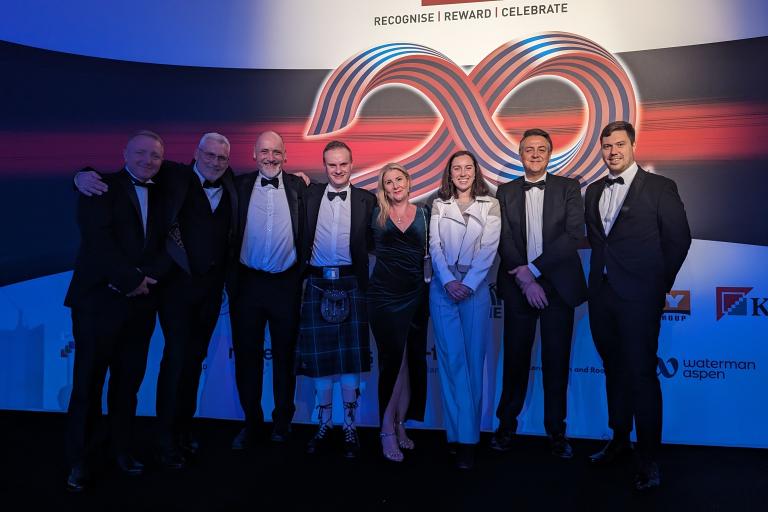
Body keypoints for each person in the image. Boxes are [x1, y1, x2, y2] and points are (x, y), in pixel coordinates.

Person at [74, 133, 239, 467]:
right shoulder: (172, 176)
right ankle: (155, 442)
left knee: (185, 367)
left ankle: (177, 432)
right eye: (208, 155)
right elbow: (105, 225)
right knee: (171, 364)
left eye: (222, 158)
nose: (215, 162)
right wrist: (80, 174)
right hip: (167, 292)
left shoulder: (232, 183)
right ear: (195, 154)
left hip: (203, 293)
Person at [584, 121, 691, 491]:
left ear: (632, 145)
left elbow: (678, 239)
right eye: (606, 146)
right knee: (613, 370)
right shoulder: (593, 190)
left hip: (640, 298)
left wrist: (658, 286)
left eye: (619, 144)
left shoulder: (661, 187)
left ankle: (649, 459)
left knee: (642, 376)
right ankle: (618, 439)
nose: (612, 151)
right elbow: (600, 243)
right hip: (601, 296)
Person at [64, 131, 170, 492]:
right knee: (87, 386)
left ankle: (121, 450)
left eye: (154, 156)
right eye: (140, 153)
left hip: (141, 306)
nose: (147, 160)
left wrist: (147, 280)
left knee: (128, 386)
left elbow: (167, 243)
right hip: (98, 303)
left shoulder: (165, 190)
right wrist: (129, 280)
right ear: (124, 152)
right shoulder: (99, 187)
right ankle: (80, 460)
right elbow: (97, 241)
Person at [492, 129, 587, 458]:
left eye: (541, 149)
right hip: (519, 288)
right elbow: (503, 239)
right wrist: (526, 278)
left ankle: (556, 431)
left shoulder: (569, 188)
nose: (535, 154)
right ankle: (506, 425)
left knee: (556, 361)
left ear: (550, 154)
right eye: (529, 149)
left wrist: (534, 271)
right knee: (515, 360)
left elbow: (574, 234)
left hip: (558, 288)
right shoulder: (504, 192)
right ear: (520, 155)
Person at [297, 140, 376, 459]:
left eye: (343, 164)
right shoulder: (310, 192)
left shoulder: (367, 200)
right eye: (332, 165)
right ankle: (324, 423)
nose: (338, 170)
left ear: (352, 163)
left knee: (349, 361)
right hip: (316, 281)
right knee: (320, 362)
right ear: (324, 165)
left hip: (352, 282)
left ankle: (350, 426)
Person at [229, 130, 307, 449]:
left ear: (285, 155)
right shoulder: (237, 186)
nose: (270, 158)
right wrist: (83, 175)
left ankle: (282, 421)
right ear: (254, 154)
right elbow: (192, 174)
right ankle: (252, 422)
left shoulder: (301, 188)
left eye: (276, 152)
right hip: (246, 285)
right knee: (247, 358)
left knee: (285, 358)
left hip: (285, 285)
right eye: (265, 152)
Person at [428, 150, 501, 469]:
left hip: (475, 287)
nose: (462, 173)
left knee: (473, 362)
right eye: (456, 168)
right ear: (449, 173)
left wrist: (468, 284)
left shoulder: (492, 204)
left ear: (475, 172)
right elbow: (434, 246)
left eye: (467, 168)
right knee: (450, 361)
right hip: (443, 288)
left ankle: (469, 440)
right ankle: (455, 435)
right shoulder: (438, 204)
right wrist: (447, 281)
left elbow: (489, 248)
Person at [367, 163, 429, 462]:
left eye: (399, 179)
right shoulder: (374, 214)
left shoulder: (426, 214)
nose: (394, 186)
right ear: (384, 187)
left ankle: (400, 424)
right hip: (383, 297)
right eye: (388, 182)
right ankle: (386, 430)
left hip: (416, 296)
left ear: (409, 180)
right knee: (391, 364)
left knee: (408, 362)